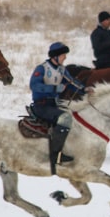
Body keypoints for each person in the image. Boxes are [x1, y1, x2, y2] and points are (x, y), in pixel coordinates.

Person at [30, 41, 86, 174]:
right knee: (65, 118)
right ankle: (55, 154)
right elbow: (34, 86)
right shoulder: (42, 68)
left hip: (54, 104)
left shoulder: (62, 69)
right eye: (63, 55)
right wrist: (54, 88)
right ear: (54, 56)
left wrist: (85, 90)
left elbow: (72, 82)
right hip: (41, 105)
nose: (65, 58)